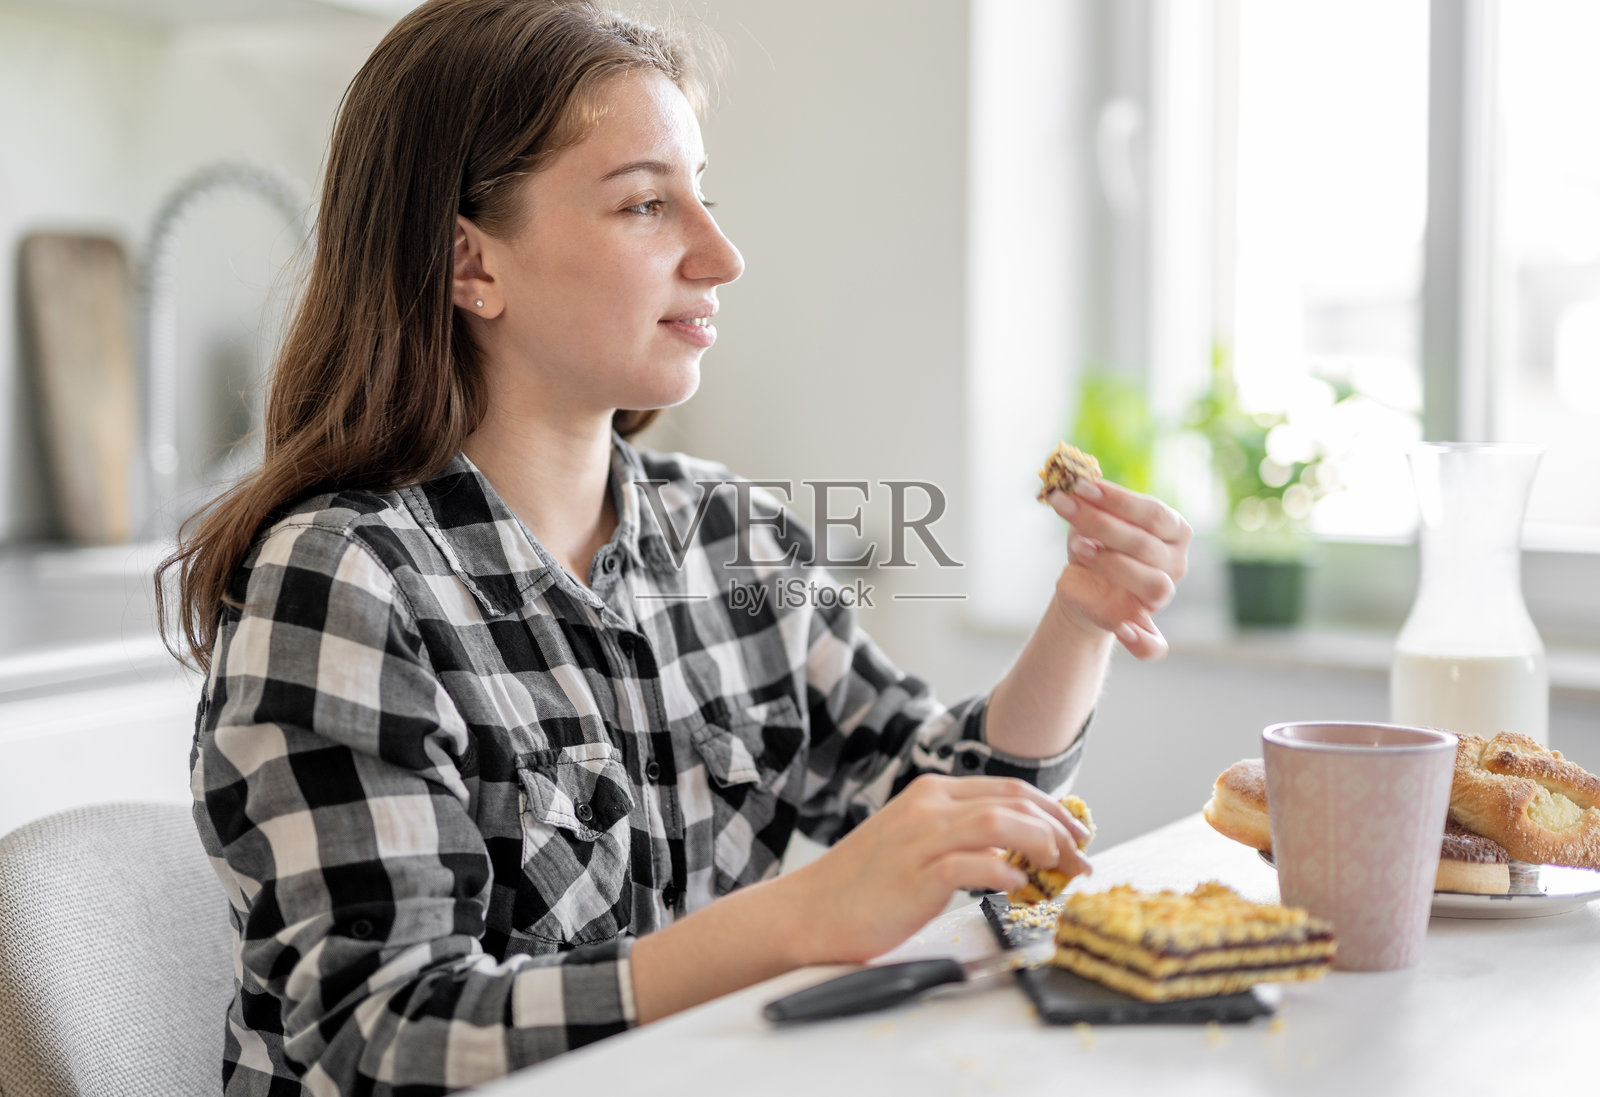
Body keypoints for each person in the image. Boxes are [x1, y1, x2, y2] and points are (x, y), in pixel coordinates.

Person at [157, 1, 1191, 1094]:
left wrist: (1080, 619)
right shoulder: (343, 579)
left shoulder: (731, 536)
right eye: (648, 202)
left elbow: (940, 808)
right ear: (470, 264)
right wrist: (794, 918)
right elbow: (388, 1034)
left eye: (705, 194)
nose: (722, 254)